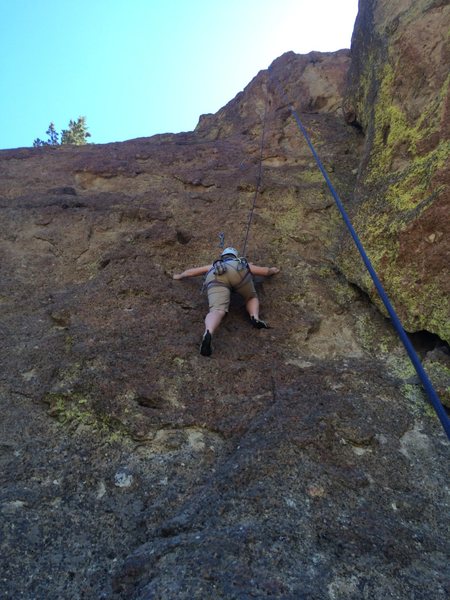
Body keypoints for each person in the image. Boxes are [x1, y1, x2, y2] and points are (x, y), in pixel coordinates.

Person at [173, 247, 280, 356]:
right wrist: (273, 270)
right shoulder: (240, 262)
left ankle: (209, 331)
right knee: (251, 297)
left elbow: (191, 272)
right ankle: (255, 317)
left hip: (215, 276)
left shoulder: (213, 265)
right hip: (238, 273)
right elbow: (265, 271)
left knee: (217, 310)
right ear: (235, 256)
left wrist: (179, 276)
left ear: (222, 257)